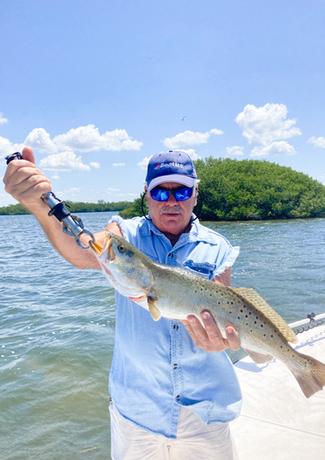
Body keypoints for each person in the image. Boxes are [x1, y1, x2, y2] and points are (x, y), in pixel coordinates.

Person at [4, 147, 242, 460]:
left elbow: (227, 319)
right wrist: (37, 205)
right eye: (160, 191)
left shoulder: (218, 247)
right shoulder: (124, 235)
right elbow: (84, 253)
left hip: (205, 412)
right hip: (136, 411)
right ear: (147, 195)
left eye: (181, 190)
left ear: (195, 194)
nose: (171, 201)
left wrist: (223, 341)